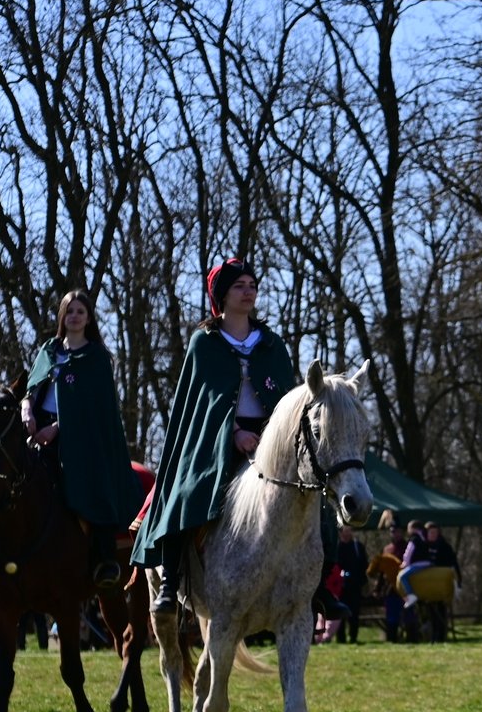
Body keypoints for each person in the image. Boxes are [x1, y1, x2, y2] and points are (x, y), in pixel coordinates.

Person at [132, 258, 349, 621]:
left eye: (252, 285)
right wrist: (233, 433)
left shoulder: (271, 344)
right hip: (216, 439)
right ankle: (170, 581)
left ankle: (320, 586)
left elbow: (285, 399)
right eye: (239, 286)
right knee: (186, 491)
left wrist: (268, 438)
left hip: (271, 440)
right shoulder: (205, 342)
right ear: (222, 294)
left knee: (313, 497)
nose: (248, 291)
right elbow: (200, 400)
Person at [22, 290, 143, 592]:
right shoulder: (49, 350)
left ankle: (104, 560)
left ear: (89, 318)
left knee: (93, 484)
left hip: (81, 440)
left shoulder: (96, 357)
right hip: (38, 431)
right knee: (2, 474)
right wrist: (27, 411)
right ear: (62, 316)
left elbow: (95, 409)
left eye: (80, 311)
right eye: (69, 311)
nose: (74, 316)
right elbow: (32, 389)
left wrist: (58, 429)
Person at [370, 514, 408, 642]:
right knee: (391, 617)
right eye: (393, 532)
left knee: (409, 615)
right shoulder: (387, 549)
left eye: (397, 531)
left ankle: (411, 638)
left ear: (402, 532)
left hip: (405, 587)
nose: (395, 534)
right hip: (390, 588)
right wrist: (378, 588)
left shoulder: (408, 547)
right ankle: (392, 639)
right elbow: (382, 571)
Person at [334, 524, 369, 643]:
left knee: (354, 613)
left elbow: (364, 565)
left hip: (355, 587)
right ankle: (341, 638)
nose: (347, 533)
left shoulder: (358, 547)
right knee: (340, 614)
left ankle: (353, 637)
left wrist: (361, 580)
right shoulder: (335, 547)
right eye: (344, 531)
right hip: (340, 588)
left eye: (349, 531)